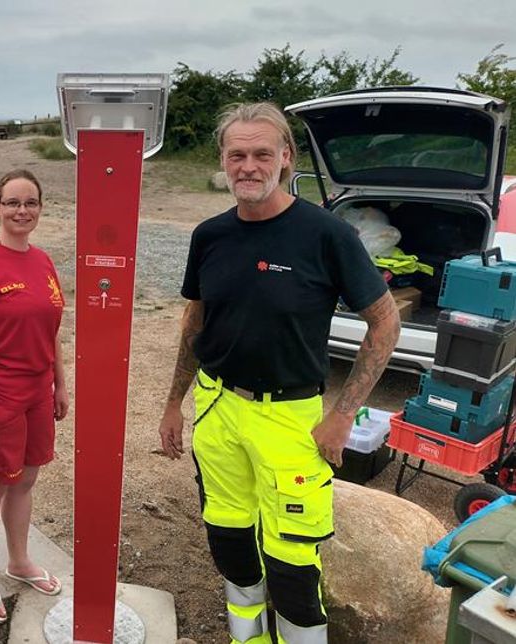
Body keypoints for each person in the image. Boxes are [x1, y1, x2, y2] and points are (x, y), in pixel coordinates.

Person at [157, 103, 400, 643]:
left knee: (292, 565)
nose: (248, 165)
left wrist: (342, 416)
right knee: (231, 545)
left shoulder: (326, 235)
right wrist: (175, 404)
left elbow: (385, 324)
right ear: (223, 159)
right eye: (236, 154)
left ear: (286, 157)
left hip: (290, 419)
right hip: (218, 412)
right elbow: (195, 322)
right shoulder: (210, 236)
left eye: (261, 153)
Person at [0, 169, 69, 624]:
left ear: (40, 208)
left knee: (25, 480)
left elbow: (53, 329)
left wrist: (61, 382)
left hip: (37, 391)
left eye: (31, 203)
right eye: (13, 203)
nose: (23, 211)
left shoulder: (42, 261)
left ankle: (19, 561)